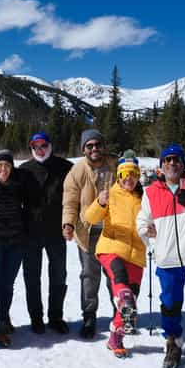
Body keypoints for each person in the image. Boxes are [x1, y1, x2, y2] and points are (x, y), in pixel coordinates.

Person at [136, 142, 185, 368]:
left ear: (183, 163)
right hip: (167, 260)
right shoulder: (151, 192)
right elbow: (143, 221)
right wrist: (149, 237)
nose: (172, 163)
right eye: (167, 160)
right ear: (161, 166)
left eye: (176, 159)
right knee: (170, 304)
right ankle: (173, 344)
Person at [82, 150, 146, 358]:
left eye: (133, 174)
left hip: (136, 253)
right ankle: (124, 298)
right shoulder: (110, 194)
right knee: (122, 286)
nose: (129, 178)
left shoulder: (144, 198)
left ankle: (115, 338)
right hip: (111, 247)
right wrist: (100, 202)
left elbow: (154, 221)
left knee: (131, 301)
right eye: (125, 174)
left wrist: (153, 230)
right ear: (119, 176)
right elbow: (90, 217)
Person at [62, 129, 118, 339]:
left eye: (97, 145)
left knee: (115, 274)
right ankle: (89, 316)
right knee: (89, 276)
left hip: (112, 232)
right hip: (87, 233)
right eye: (89, 146)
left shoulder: (115, 166)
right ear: (84, 149)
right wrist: (68, 223)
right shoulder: (77, 171)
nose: (94, 149)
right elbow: (70, 201)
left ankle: (119, 313)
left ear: (103, 146)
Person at [19, 132, 73, 334]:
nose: (40, 149)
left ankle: (56, 317)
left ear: (50, 146)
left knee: (58, 275)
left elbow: (74, 197)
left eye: (43, 145)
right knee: (32, 277)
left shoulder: (65, 167)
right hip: (30, 232)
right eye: (35, 147)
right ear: (32, 149)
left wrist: (71, 223)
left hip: (56, 231)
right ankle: (36, 318)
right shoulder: (24, 170)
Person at [0, 149, 31, 347]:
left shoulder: (19, 183)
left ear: (12, 167)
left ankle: (3, 318)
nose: (3, 169)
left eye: (7, 165)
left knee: (8, 281)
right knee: (0, 279)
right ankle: (2, 321)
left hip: (17, 240)